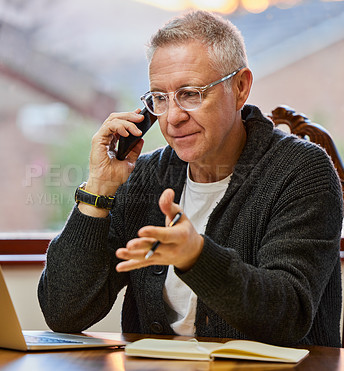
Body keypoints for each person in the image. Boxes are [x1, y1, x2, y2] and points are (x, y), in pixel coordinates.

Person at [38, 10, 343, 347]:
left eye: (190, 94)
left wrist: (196, 256)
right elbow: (64, 313)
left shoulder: (303, 171)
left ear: (240, 87)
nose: (173, 117)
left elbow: (288, 315)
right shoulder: (147, 177)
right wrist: (98, 189)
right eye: (160, 98)